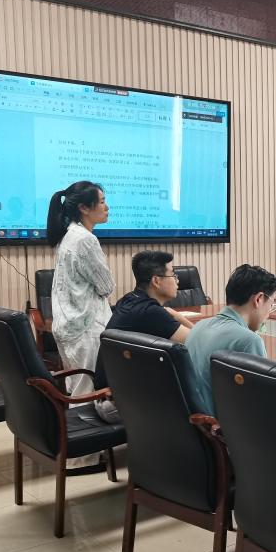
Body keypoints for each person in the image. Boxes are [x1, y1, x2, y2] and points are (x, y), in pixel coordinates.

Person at [186, 265, 276, 415]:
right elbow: (266, 405)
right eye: (271, 304)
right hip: (226, 427)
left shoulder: (198, 327)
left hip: (197, 423)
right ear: (258, 299)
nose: (269, 313)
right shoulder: (249, 340)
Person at [92, 251, 196, 423]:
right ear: (156, 281)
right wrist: (179, 317)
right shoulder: (151, 313)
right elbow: (197, 341)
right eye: (173, 275)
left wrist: (174, 316)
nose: (177, 281)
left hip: (105, 397)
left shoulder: (128, 300)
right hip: (118, 406)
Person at [47, 181, 114, 397]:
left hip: (69, 326)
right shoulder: (85, 239)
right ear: (84, 208)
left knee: (76, 390)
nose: (107, 207)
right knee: (87, 395)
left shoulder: (69, 235)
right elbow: (107, 286)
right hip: (86, 329)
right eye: (102, 202)